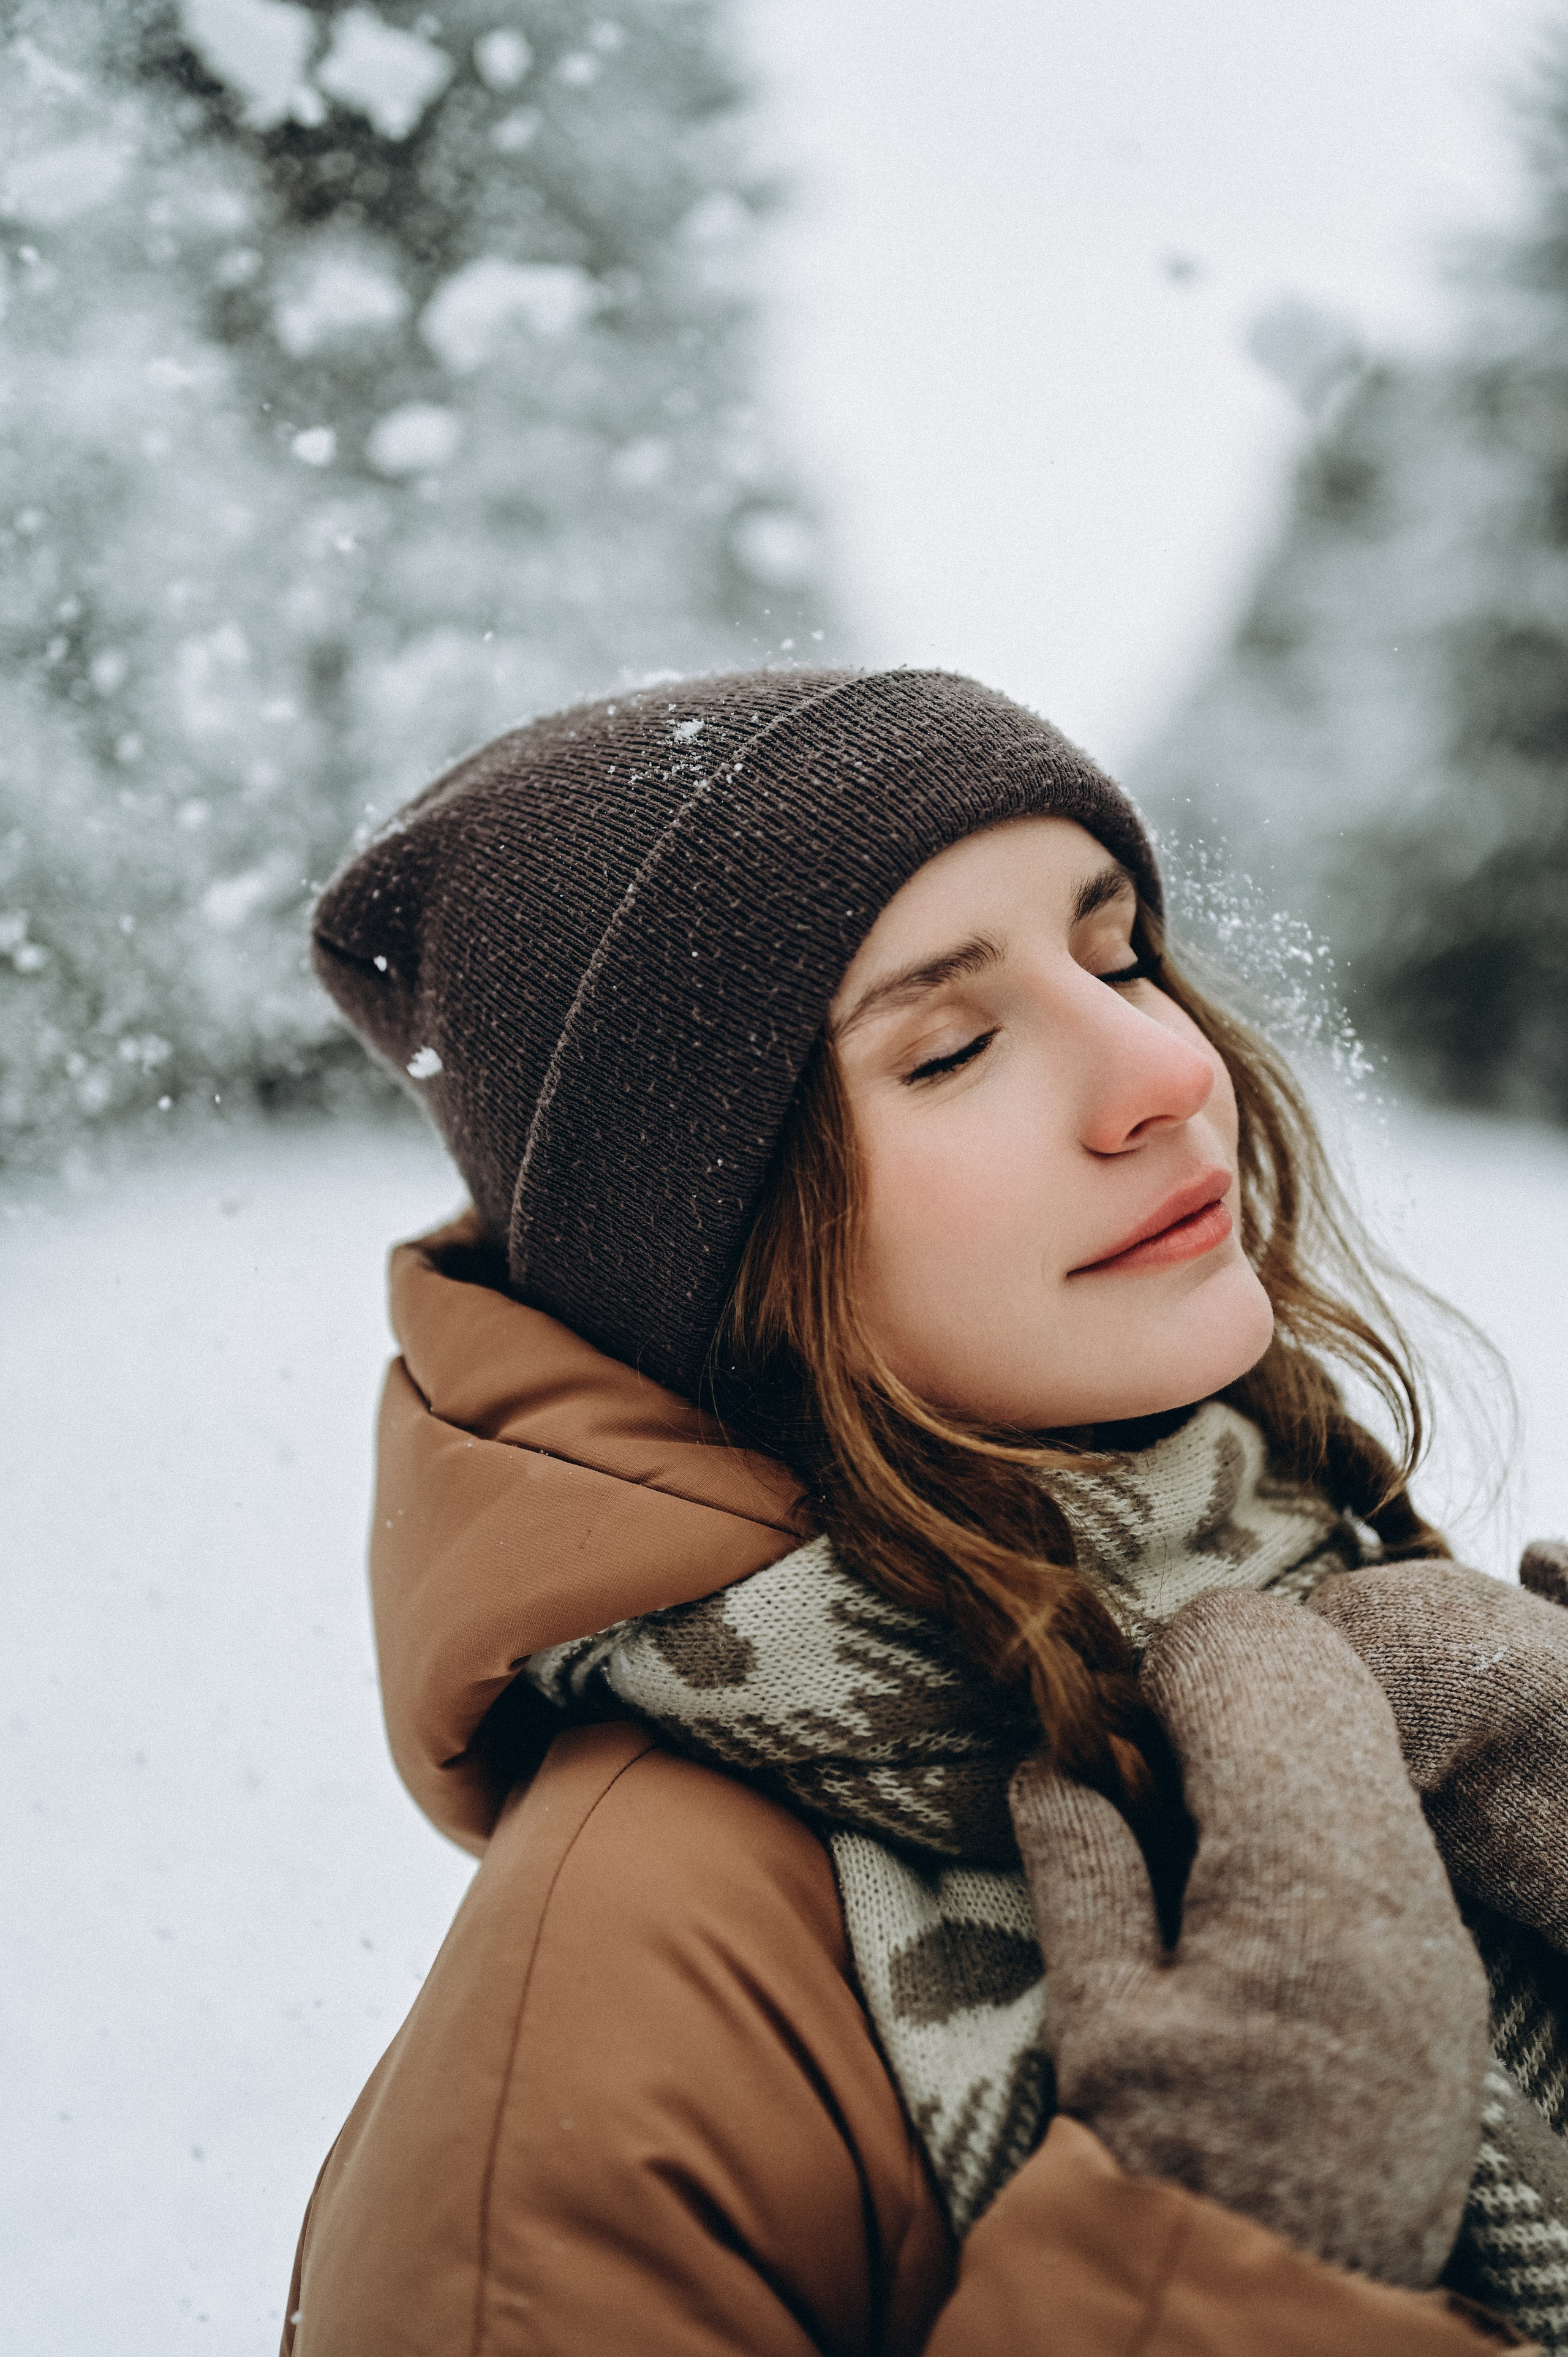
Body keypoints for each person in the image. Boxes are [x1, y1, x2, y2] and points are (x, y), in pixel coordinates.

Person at [285, 667, 1568, 2355]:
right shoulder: (617, 1998)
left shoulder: (1346, 1601)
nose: (1165, 1070)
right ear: (723, 1261)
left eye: (1117, 958)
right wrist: (1223, 2262)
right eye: (951, 1047)